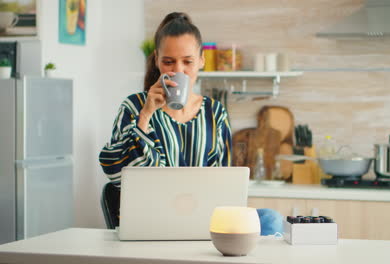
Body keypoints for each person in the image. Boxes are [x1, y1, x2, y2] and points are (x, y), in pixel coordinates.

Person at [99, 12, 282, 236]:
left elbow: (224, 182)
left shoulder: (215, 112)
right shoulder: (134, 107)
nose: (178, 70)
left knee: (271, 220)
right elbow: (119, 177)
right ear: (157, 60)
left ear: (202, 61)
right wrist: (145, 116)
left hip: (205, 219)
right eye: (168, 62)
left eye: (187, 61)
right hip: (152, 221)